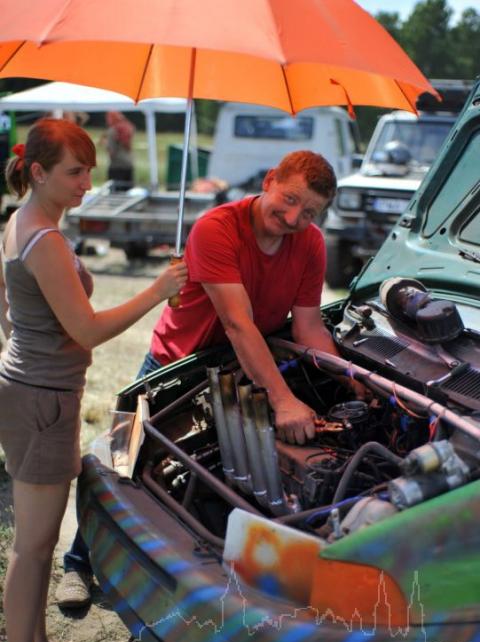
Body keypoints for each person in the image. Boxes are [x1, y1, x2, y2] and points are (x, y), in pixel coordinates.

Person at [56, 149, 368, 609]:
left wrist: (352, 379)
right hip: (173, 365)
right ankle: (78, 563)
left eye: (310, 212)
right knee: (121, 458)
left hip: (242, 365)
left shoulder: (312, 243)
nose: (294, 216)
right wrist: (283, 401)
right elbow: (238, 324)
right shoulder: (217, 228)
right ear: (269, 179)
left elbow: (308, 327)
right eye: (289, 199)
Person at [0, 118, 187, 642]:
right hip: (43, 401)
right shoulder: (43, 238)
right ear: (38, 172)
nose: (86, 183)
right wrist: (156, 291)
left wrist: (29, 342)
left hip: (32, 390)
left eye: (89, 170)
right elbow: (87, 328)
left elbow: (9, 313)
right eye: (74, 172)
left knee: (39, 536)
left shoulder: (21, 222)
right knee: (33, 546)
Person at [103, 111, 135, 189]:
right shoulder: (128, 128)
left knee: (115, 194)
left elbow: (112, 152)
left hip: (117, 166)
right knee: (127, 192)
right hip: (129, 164)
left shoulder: (112, 130)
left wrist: (105, 144)